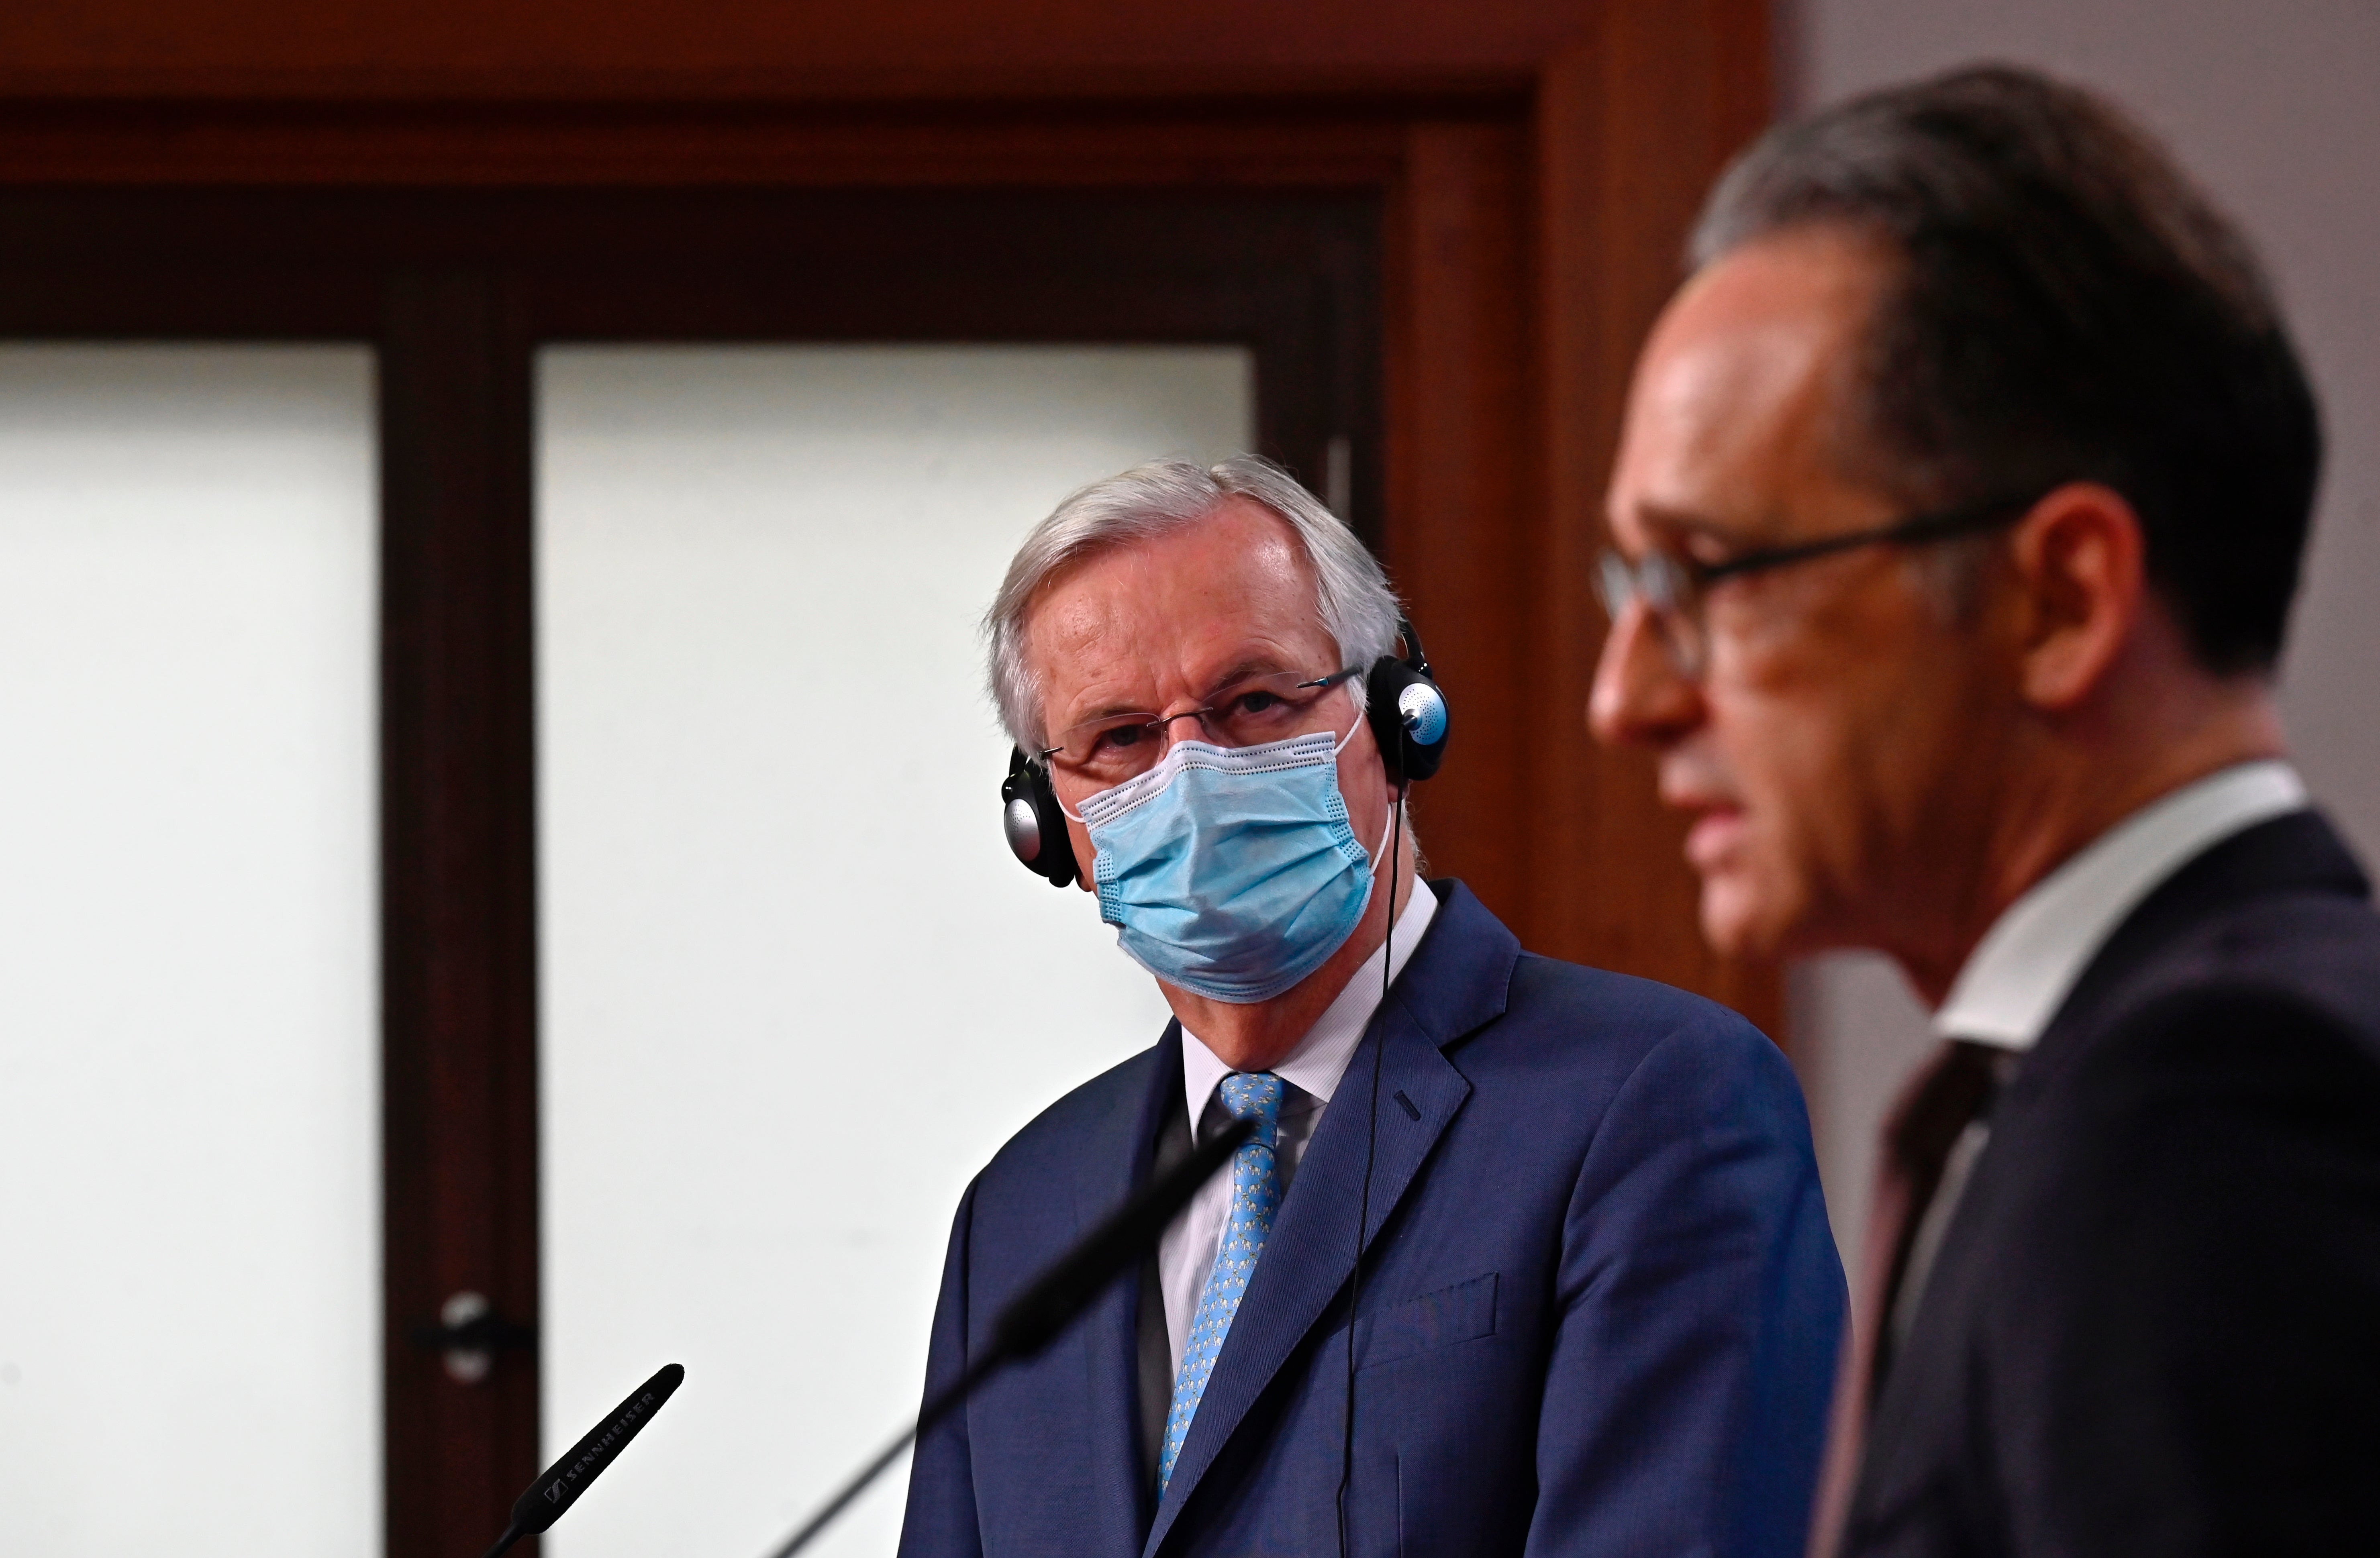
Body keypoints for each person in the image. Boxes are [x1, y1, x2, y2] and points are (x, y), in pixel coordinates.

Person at [1590, 64, 2380, 1558]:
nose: (1625, 697)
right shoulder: (2151, 1069)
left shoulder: (2209, 1113)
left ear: (2062, 599)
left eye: (1705, 579)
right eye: (1627, 586)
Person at [897, 456, 1843, 1557]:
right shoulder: (1018, 1215)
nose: (1191, 776)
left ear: (1398, 724)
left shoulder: (1659, 1104)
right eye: (1121, 738)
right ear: (1048, 827)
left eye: (1252, 701)